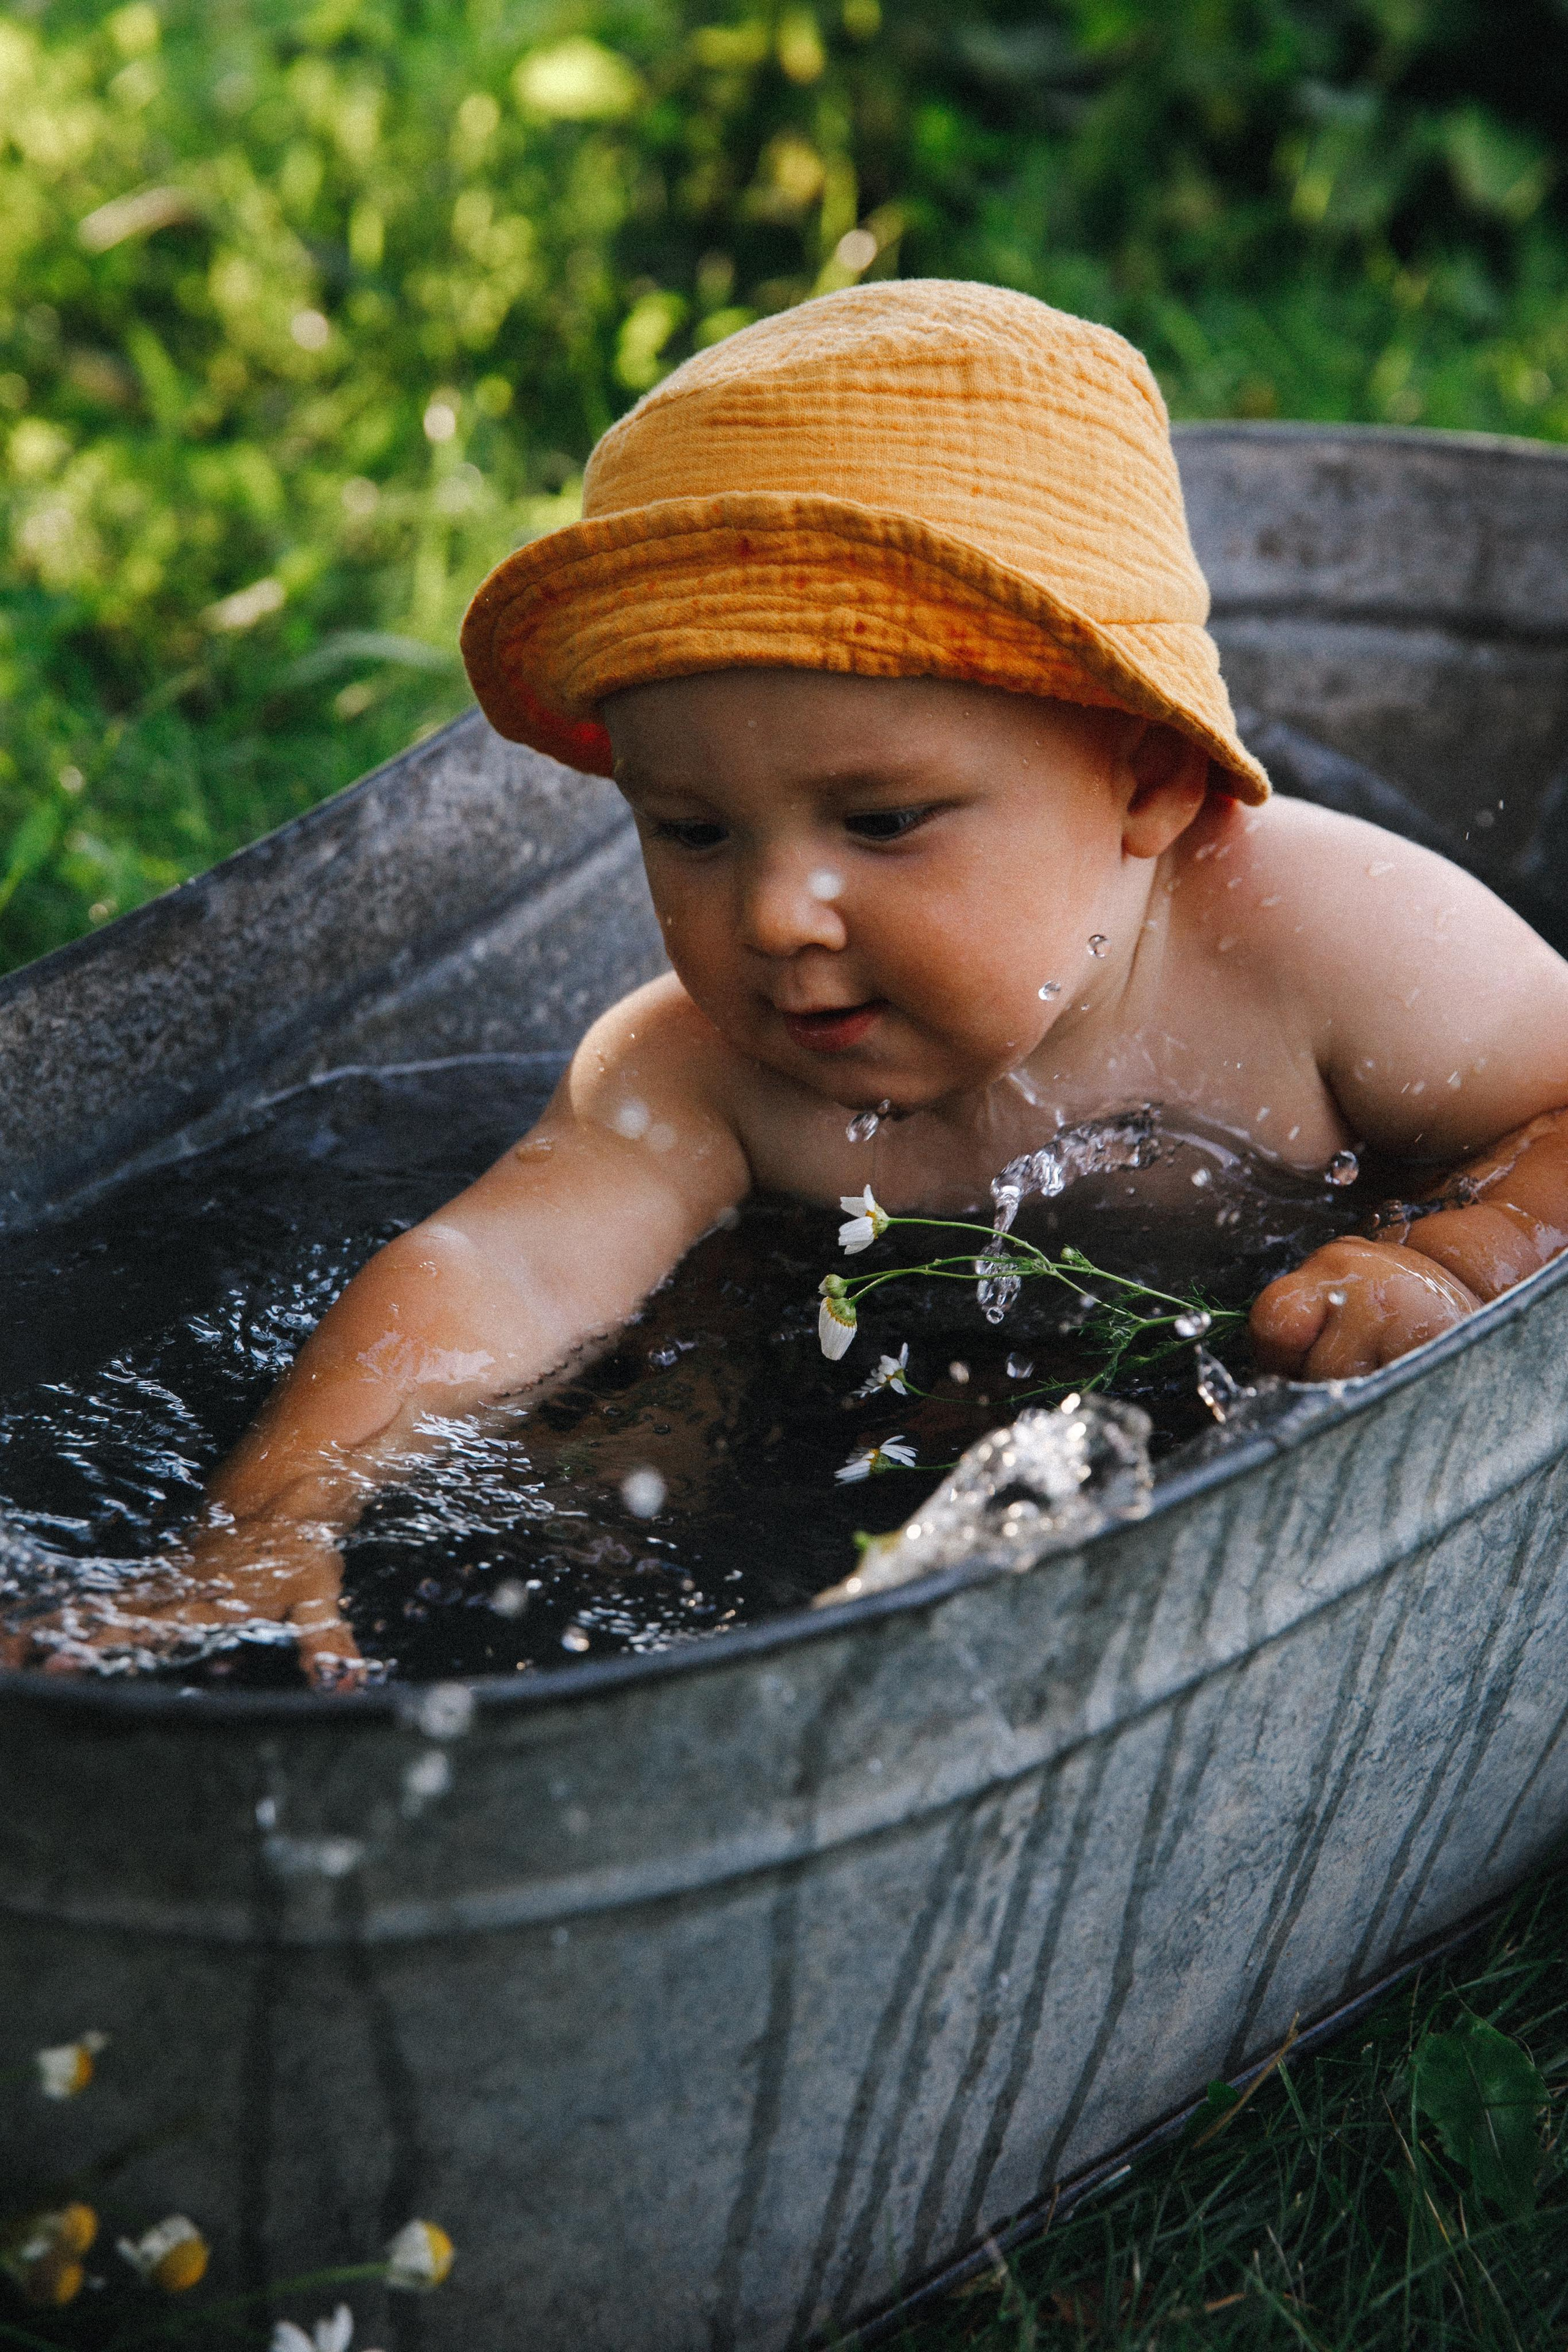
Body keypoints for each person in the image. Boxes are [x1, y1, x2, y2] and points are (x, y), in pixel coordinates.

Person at [26, 282, 1568, 1681]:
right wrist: (267, 1516)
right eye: (688, 830)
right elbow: (492, 1276)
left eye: (880, 821)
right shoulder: (697, 1070)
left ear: (1146, 787)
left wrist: (1466, 1255)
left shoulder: (1323, 939)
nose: (770, 915)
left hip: (1265, 1382)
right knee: (603, 1477)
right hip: (876, 1389)